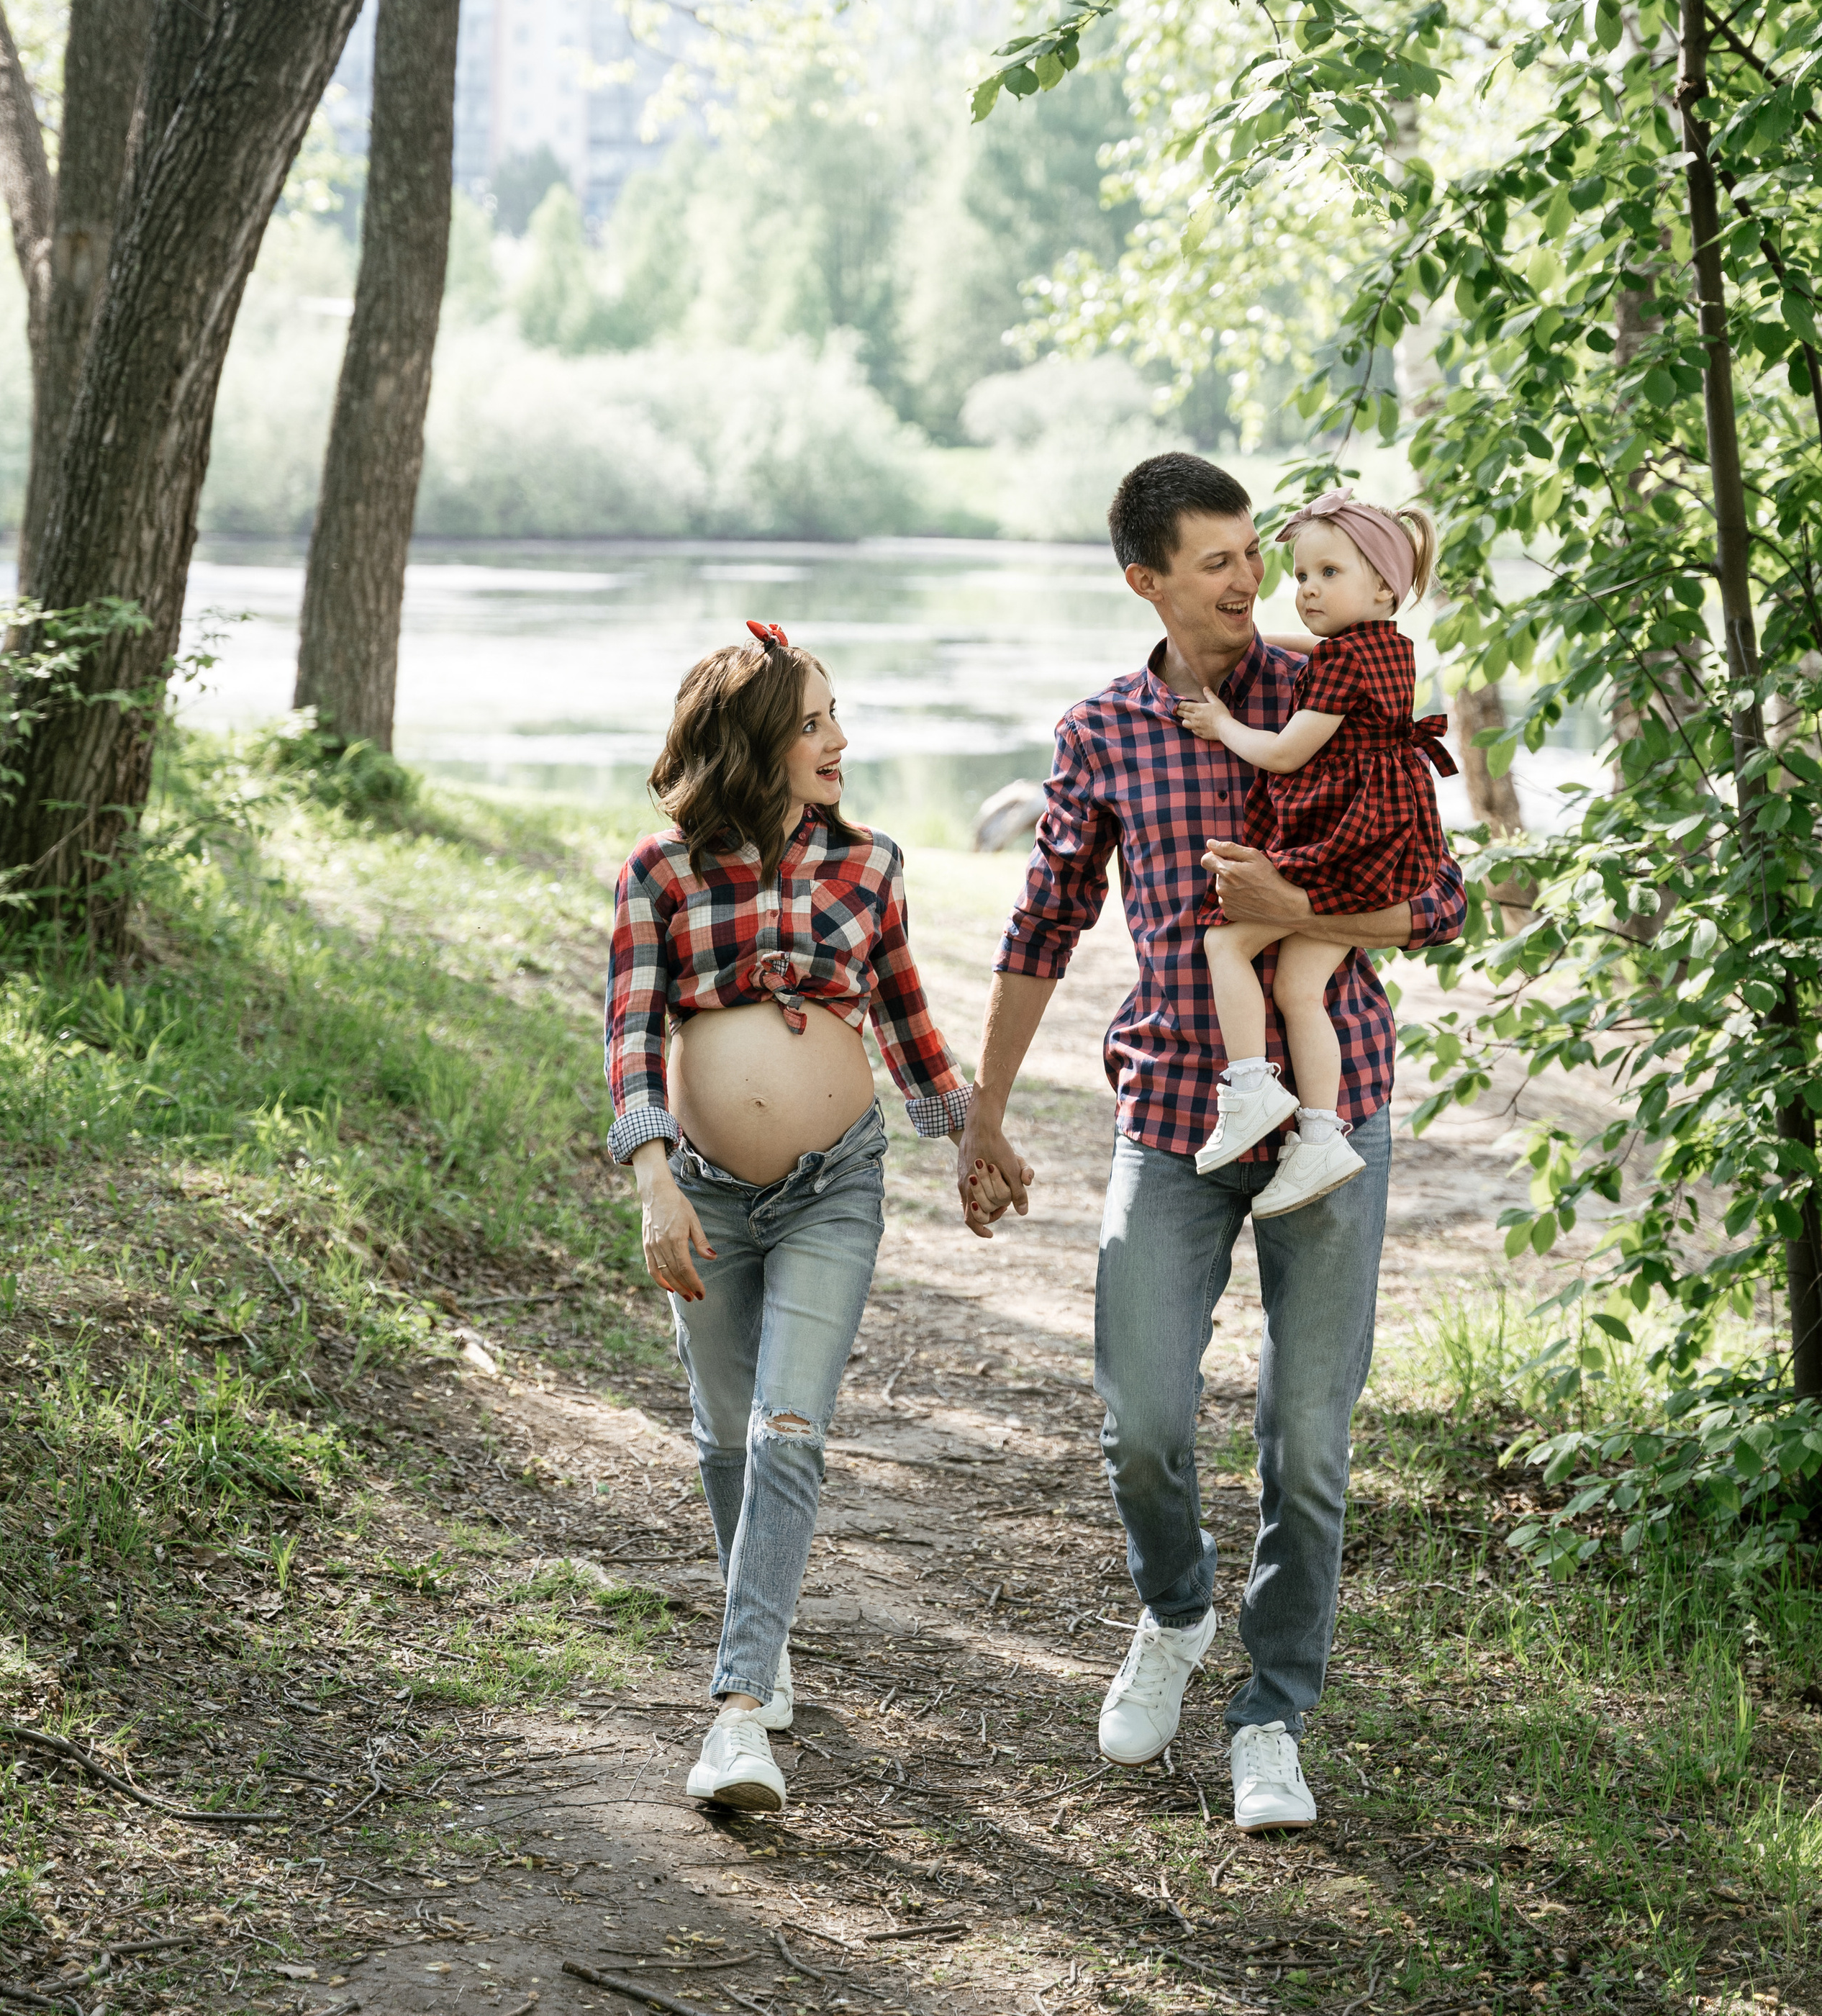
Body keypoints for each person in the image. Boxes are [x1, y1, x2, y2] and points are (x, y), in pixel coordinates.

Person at [955, 456, 1464, 1832]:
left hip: (1330, 1115)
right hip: (1173, 1114)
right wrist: (983, 1115)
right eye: (1222, 562)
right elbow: (1041, 929)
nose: (1255, 582)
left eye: (1260, 554)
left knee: (1307, 1442)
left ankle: (1271, 1715)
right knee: (1143, 1421)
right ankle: (1175, 1614)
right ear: (1149, 581)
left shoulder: (1337, 689)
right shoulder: (1108, 729)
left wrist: (1292, 900)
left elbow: (1442, 904)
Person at [604, 620, 1005, 1817]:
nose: (841, 741)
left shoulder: (868, 863)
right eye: (816, 722)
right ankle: (761, 1628)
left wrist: (972, 1136)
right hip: (709, 1196)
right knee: (725, 1430)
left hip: (837, 1183)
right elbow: (630, 1038)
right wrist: (654, 1176)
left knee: (787, 1426)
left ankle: (736, 1717)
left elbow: (905, 1018)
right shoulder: (660, 873)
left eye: (838, 719)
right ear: (755, 742)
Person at [1182, 488, 1457, 1218]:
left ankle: (1249, 1086)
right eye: (1301, 575)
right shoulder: (1389, 647)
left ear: (1381, 587)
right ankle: (1320, 1134)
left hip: (1345, 844)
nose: (1305, 590)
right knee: (1299, 990)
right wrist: (1272, 644)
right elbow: (1324, 654)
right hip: (1389, 840)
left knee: (1224, 943)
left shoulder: (1340, 666)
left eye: (1327, 574)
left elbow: (1280, 752)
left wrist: (1221, 724)